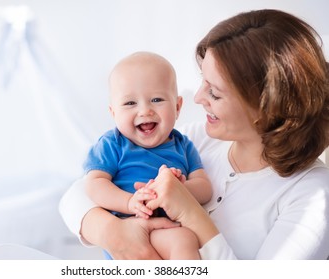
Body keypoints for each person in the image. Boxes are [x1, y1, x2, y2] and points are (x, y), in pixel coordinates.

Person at [59, 9, 329, 259]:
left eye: (214, 92)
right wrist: (113, 233)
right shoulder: (197, 139)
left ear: (266, 107)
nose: (198, 98)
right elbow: (76, 193)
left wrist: (189, 211)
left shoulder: (312, 196)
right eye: (203, 81)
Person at [83, 52, 212, 260]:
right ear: (113, 112)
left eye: (156, 99)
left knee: (187, 240)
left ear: (178, 107)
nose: (145, 110)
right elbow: (94, 184)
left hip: (169, 226)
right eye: (130, 103)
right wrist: (129, 202)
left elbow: (205, 187)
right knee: (184, 240)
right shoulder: (112, 143)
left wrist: (180, 190)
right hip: (130, 228)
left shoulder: (183, 145)